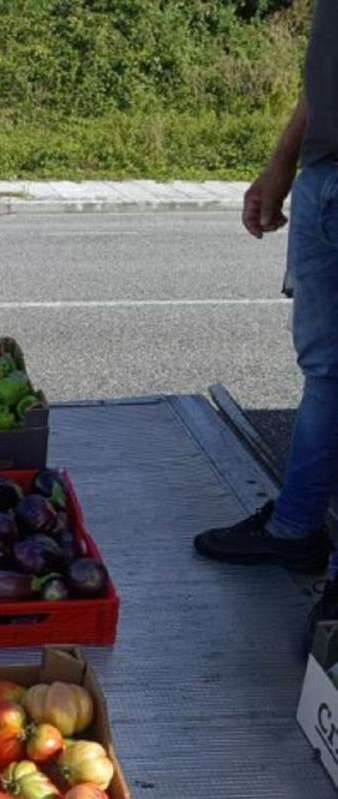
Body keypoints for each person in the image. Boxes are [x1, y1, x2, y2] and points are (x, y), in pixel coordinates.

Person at [194, 0, 338, 638]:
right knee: (326, 370)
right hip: (324, 177)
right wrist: (283, 164)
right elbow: (323, 77)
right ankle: (295, 527)